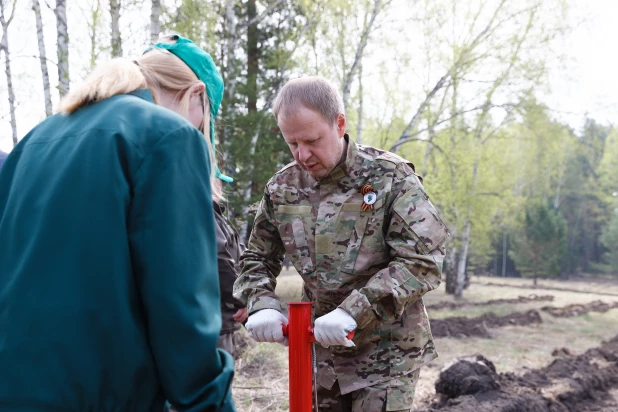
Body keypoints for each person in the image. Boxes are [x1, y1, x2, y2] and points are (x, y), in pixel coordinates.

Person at [0, 35, 236, 411]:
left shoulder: (34, 141)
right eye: (205, 122)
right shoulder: (167, 136)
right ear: (196, 96)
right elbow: (182, 316)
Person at [234, 76, 449, 411]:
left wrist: (354, 311)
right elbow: (257, 257)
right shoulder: (282, 188)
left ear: (339, 124)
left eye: (312, 140)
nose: (303, 154)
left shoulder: (389, 177)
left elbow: (422, 261)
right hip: (320, 356)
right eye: (292, 144)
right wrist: (260, 302)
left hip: (386, 354)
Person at [213, 179, 248, 356]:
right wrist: (243, 299)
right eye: (218, 179)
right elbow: (220, 262)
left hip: (222, 317)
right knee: (216, 378)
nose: (221, 185)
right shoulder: (207, 216)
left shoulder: (216, 216)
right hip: (214, 320)